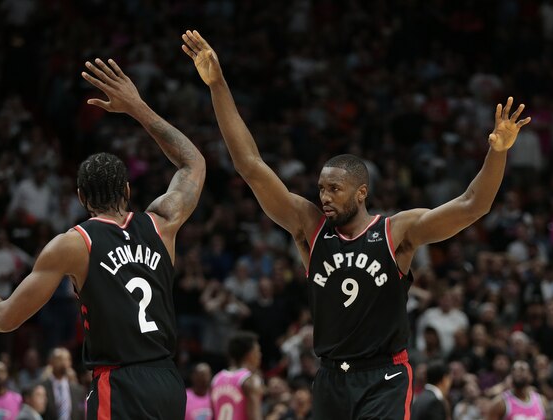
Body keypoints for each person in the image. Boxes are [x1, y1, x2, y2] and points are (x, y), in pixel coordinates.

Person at [181, 29, 531, 419]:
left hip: (384, 378)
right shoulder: (309, 228)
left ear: (361, 192)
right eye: (320, 188)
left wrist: (496, 152)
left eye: (335, 189)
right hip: (330, 378)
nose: (324, 197)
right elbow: (250, 166)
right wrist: (218, 84)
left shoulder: (396, 232)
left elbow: (471, 206)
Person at [0, 57, 206, 419]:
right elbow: (193, 163)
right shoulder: (163, 223)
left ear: (81, 197)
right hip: (168, 381)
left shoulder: (74, 243)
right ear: (128, 190)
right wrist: (137, 107)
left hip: (120, 384)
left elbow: (8, 320)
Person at [210, 331, 263, 420]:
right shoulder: (251, 380)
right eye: (258, 351)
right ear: (249, 354)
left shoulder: (216, 379)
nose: (260, 355)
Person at [40, 348, 84, 420]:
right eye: (59, 359)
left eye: (67, 359)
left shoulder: (78, 390)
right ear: (50, 362)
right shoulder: (42, 387)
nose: (63, 362)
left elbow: (81, 415)